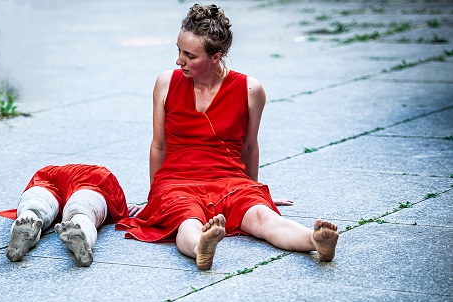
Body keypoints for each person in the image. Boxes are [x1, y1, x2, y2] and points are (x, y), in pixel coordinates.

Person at [117, 3, 338, 270]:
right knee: (187, 220)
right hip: (176, 181)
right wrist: (155, 198)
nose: (179, 60)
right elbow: (159, 145)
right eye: (178, 50)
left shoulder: (250, 89)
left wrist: (255, 193)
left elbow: (249, 147)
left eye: (190, 55)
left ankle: (314, 241)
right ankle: (202, 247)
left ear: (216, 56)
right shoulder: (166, 82)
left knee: (261, 217)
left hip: (229, 178)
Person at [0, 164, 128, 266]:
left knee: (35, 206)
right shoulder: (103, 176)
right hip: (95, 180)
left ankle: (27, 221)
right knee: (81, 210)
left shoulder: (49, 172)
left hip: (48, 176)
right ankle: (83, 236)